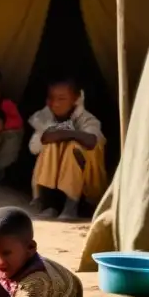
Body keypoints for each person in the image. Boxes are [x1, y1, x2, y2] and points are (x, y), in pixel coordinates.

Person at [28, 76, 107, 221]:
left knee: (74, 147)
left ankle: (71, 205)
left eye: (62, 99)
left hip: (85, 190)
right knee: (51, 144)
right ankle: (50, 204)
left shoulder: (87, 120)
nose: (55, 103)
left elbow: (91, 141)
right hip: (54, 188)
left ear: (75, 99)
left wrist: (66, 133)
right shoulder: (45, 118)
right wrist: (56, 134)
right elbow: (35, 147)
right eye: (51, 98)